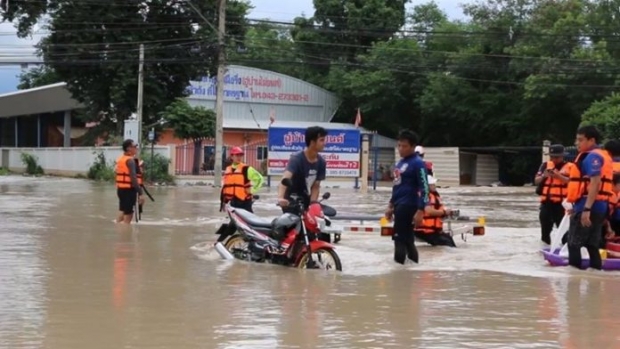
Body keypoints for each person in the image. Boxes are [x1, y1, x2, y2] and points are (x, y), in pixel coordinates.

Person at [565, 126, 613, 270]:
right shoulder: (603, 155)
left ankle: (573, 284)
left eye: (580, 140)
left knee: (573, 244)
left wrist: (586, 209)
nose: (577, 143)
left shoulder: (592, 156)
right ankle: (595, 280)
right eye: (576, 140)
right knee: (592, 245)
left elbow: (595, 182)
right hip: (600, 206)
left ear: (592, 140)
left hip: (589, 206)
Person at [384, 130, 429, 265]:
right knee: (408, 241)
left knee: (399, 241)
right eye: (399, 145)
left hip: (409, 206)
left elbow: (424, 188)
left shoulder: (418, 163)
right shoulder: (400, 163)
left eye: (404, 146)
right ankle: (410, 276)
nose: (400, 149)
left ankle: (398, 277)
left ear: (413, 146)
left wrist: (421, 210)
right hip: (399, 205)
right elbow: (397, 186)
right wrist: (391, 205)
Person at [277, 126, 327, 213]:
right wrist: (280, 198)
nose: (324, 143)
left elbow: (316, 186)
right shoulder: (296, 159)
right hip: (290, 202)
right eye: (321, 140)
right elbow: (285, 179)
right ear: (312, 142)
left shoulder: (321, 162)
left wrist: (313, 205)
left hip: (306, 201)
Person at [534, 144, 573, 244]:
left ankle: (565, 252)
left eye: (557, 157)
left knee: (565, 235)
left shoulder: (571, 167)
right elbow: (536, 181)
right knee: (545, 234)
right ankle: (545, 252)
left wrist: (559, 176)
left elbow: (574, 183)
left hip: (562, 206)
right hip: (546, 205)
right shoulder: (545, 165)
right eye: (552, 156)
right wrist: (544, 176)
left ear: (562, 156)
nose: (554, 159)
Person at [413, 175, 457, 247]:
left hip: (433, 230)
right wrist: (444, 212)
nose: (434, 186)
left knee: (449, 239)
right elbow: (429, 211)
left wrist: (446, 212)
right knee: (446, 244)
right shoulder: (425, 196)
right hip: (424, 231)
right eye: (432, 184)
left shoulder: (433, 195)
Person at [220, 146, 264, 213]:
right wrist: (224, 202)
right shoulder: (228, 170)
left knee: (249, 221)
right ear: (232, 156)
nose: (239, 157)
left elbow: (260, 179)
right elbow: (225, 187)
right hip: (233, 202)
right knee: (234, 222)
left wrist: (252, 190)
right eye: (237, 155)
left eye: (240, 155)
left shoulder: (246, 169)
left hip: (245, 202)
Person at [115, 139, 145, 224]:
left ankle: (117, 227)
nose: (137, 148)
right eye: (135, 146)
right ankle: (125, 234)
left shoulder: (121, 159)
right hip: (128, 190)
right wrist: (141, 193)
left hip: (121, 189)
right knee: (128, 213)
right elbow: (133, 178)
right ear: (128, 148)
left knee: (122, 210)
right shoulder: (130, 161)